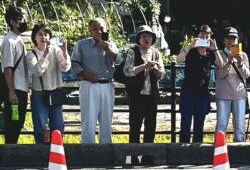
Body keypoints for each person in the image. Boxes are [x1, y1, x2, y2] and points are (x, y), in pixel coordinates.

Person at [71, 17, 118, 145]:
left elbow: (119, 61)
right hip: (89, 84)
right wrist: (85, 74)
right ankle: (88, 148)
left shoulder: (111, 44)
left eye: (101, 28)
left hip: (107, 84)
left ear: (107, 29)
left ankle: (106, 147)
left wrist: (108, 49)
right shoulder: (81, 44)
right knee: (89, 119)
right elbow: (74, 64)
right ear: (90, 31)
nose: (99, 31)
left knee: (107, 120)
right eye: (95, 29)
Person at [26, 23, 70, 144]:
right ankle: (40, 152)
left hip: (55, 93)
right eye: (40, 34)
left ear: (50, 37)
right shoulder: (31, 54)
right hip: (39, 94)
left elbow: (65, 67)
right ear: (34, 37)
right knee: (40, 127)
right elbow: (38, 71)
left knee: (58, 127)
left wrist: (64, 52)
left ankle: (57, 151)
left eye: (46, 34)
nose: (43, 37)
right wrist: (45, 55)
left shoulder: (56, 50)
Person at [123, 25, 165, 151]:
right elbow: (127, 71)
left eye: (149, 36)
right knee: (135, 125)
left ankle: (148, 155)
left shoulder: (156, 53)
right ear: (139, 39)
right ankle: (133, 155)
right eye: (144, 36)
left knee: (151, 126)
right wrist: (144, 66)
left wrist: (155, 70)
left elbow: (162, 74)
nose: (147, 39)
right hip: (137, 95)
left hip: (152, 95)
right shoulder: (132, 51)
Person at [176, 25, 219, 144]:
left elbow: (220, 64)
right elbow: (178, 59)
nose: (204, 39)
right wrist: (190, 46)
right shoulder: (191, 51)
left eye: (207, 37)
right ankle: (183, 149)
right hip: (188, 91)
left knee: (199, 125)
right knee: (185, 123)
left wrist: (215, 49)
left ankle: (197, 150)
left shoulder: (210, 53)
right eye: (201, 36)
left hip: (203, 92)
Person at [215, 27, 250, 143]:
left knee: (240, 126)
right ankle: (219, 148)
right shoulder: (219, 54)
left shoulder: (243, 55)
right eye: (228, 38)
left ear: (237, 40)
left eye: (234, 38)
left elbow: (246, 75)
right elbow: (219, 75)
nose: (231, 41)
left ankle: (240, 149)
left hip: (239, 94)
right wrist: (229, 63)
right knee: (221, 124)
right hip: (223, 94)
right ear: (224, 40)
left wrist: (240, 63)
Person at [2, 6, 31, 144]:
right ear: (12, 22)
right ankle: (9, 151)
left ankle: (12, 149)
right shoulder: (9, 41)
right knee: (13, 123)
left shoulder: (18, 39)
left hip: (21, 89)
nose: (24, 21)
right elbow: (8, 68)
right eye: (21, 19)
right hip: (15, 90)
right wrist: (11, 92)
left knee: (18, 122)